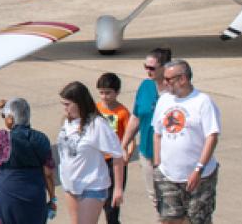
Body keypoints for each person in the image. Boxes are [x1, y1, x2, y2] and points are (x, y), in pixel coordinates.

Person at [0, 97, 58, 223]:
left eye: (4, 116)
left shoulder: (2, 138)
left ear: (10, 118)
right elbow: (48, 173)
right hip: (35, 195)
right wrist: (53, 199)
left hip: (9, 194)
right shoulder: (42, 138)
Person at [153, 60, 221, 224]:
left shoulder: (203, 102)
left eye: (168, 79)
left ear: (182, 79)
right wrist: (157, 165)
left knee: (197, 220)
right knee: (169, 220)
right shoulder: (164, 100)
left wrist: (198, 169)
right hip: (168, 175)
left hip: (200, 177)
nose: (164, 83)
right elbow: (157, 133)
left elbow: (211, 136)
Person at [57, 82, 125, 224]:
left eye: (67, 104)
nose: (64, 109)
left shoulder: (97, 124)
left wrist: (118, 189)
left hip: (92, 186)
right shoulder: (67, 122)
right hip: (70, 185)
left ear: (79, 103)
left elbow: (118, 156)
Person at [122, 48, 172, 182]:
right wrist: (124, 144)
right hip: (147, 152)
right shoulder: (145, 86)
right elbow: (136, 117)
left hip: (169, 156)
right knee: (154, 198)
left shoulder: (175, 91)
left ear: (165, 67)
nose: (148, 71)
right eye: (146, 67)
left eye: (152, 68)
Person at [94, 72, 131, 224]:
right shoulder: (95, 109)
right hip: (98, 161)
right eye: (101, 92)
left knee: (112, 206)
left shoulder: (122, 112)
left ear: (117, 92)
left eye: (108, 93)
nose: (104, 96)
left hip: (114, 162)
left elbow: (129, 136)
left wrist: (127, 153)